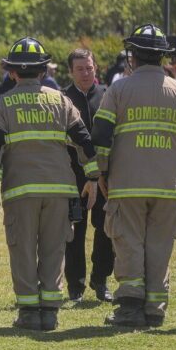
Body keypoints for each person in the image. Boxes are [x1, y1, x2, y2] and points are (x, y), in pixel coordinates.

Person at [0, 37, 99, 331]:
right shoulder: (61, 100)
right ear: (43, 71)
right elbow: (84, 140)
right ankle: (49, 312)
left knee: (22, 249)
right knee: (53, 248)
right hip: (60, 190)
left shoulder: (2, 104)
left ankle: (28, 312)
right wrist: (93, 177)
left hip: (20, 191)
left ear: (12, 73)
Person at [92, 24, 176, 328]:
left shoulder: (119, 90)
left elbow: (102, 135)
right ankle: (155, 309)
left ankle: (130, 309)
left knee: (129, 241)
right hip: (168, 186)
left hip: (128, 183)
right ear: (162, 56)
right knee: (160, 246)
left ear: (132, 55)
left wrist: (103, 173)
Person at [63, 49, 114, 303]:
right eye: (80, 69)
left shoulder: (107, 95)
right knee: (75, 232)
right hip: (74, 178)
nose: (86, 73)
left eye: (89, 68)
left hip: (105, 177)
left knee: (106, 229)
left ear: (96, 69)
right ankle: (76, 285)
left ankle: (101, 279)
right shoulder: (63, 99)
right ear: (70, 71)